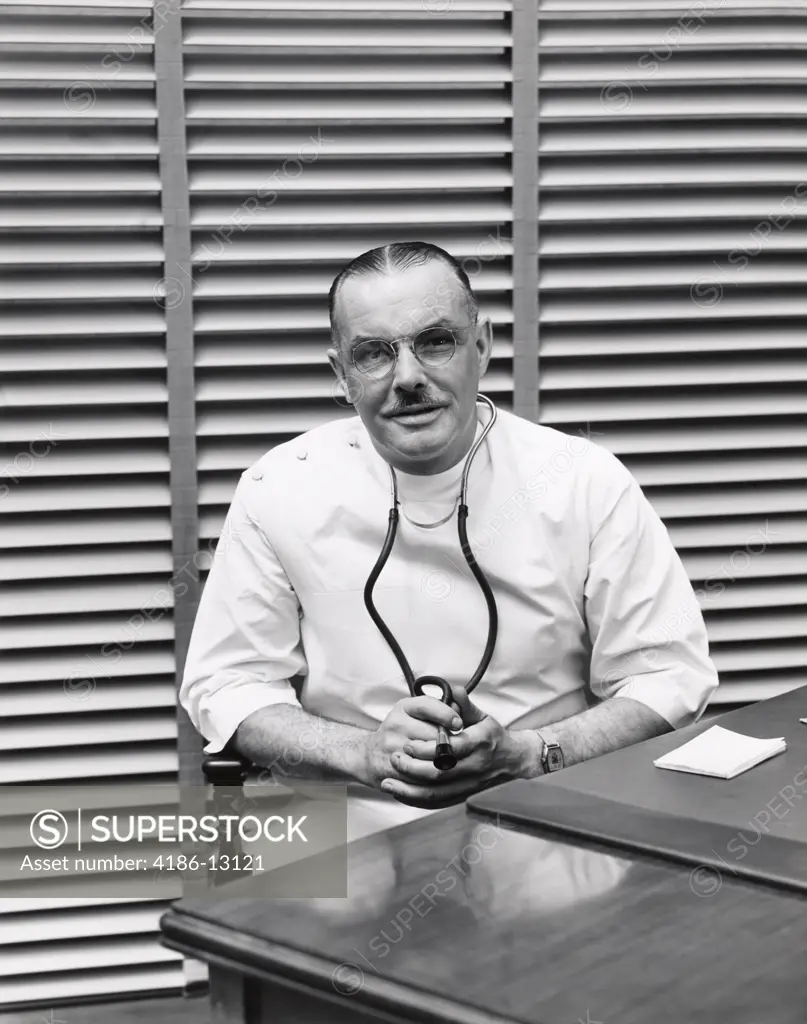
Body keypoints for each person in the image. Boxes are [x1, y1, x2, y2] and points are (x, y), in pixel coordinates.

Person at [180, 241, 719, 839]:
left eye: (436, 341)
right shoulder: (278, 485)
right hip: (339, 831)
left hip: (542, 810)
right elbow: (226, 683)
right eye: (373, 354)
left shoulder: (584, 481)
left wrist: (529, 752)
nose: (408, 377)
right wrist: (362, 753)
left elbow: (668, 675)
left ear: (482, 345)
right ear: (340, 374)